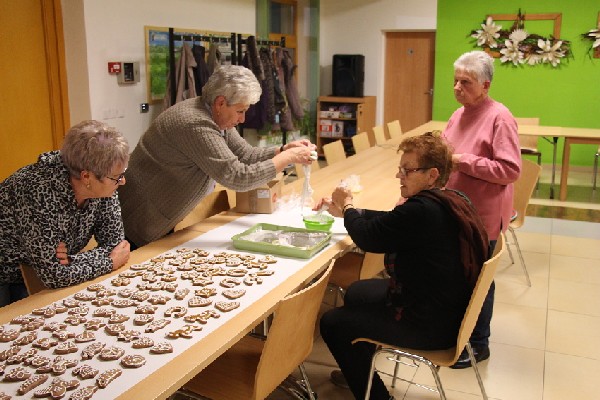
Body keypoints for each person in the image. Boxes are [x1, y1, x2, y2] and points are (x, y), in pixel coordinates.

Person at [316, 134, 489, 400]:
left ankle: (377, 396)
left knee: (332, 323)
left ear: (432, 174)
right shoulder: (449, 200)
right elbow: (392, 221)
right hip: (446, 310)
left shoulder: (420, 211)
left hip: (429, 326)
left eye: (407, 170)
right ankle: (361, 369)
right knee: (357, 292)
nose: (399, 176)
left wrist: (348, 205)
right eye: (400, 169)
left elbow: (369, 238)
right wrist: (352, 213)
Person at [119, 65, 316, 249]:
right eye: (240, 111)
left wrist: (282, 150)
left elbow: (245, 154)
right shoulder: (196, 124)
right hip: (137, 220)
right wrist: (289, 157)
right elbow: (237, 177)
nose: (242, 119)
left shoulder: (214, 115)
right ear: (221, 103)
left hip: (156, 215)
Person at [443, 50, 521, 369]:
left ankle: (478, 343)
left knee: (478, 282)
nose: (457, 88)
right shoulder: (458, 114)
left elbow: (510, 170)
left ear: (485, 85)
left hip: (482, 216)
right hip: (456, 210)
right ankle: (456, 333)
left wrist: (463, 161)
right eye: (455, 81)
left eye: (466, 82)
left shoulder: (500, 117)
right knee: (459, 276)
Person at [0, 120, 131, 306]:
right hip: (7, 272)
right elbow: (53, 276)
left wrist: (71, 260)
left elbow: (115, 245)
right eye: (117, 177)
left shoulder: (104, 185)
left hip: (36, 270)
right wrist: (108, 263)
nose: (123, 181)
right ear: (86, 177)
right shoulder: (38, 191)